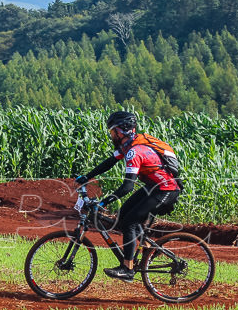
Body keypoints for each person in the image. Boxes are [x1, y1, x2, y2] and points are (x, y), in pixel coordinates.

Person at [75, 111, 181, 281]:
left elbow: (127, 187)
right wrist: (88, 176)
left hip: (166, 190)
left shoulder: (134, 151)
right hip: (154, 188)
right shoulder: (128, 145)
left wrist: (104, 202)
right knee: (123, 216)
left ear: (122, 130)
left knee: (130, 223)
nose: (111, 135)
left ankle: (128, 269)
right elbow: (110, 162)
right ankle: (147, 247)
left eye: (113, 132)